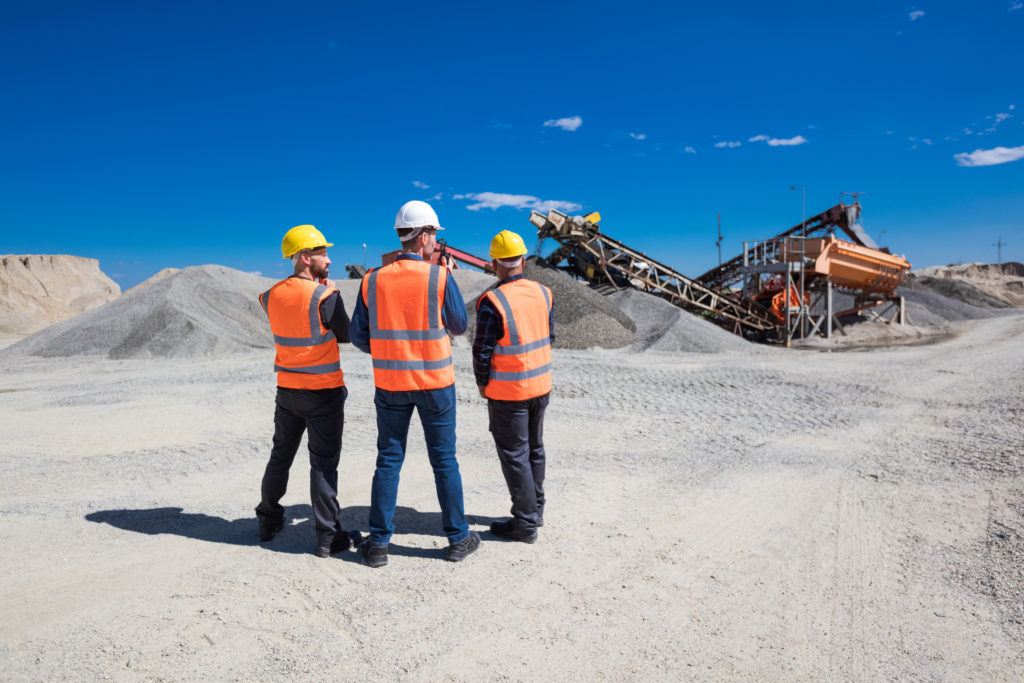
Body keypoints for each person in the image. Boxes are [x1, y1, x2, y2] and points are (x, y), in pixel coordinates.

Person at [349, 200, 480, 567]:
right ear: (423, 237)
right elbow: (458, 326)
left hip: (391, 383)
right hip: (435, 383)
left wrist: (392, 348)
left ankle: (378, 546)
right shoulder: (439, 277)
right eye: (435, 236)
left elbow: (359, 336)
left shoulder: (372, 279)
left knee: (389, 460)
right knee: (444, 461)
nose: (437, 243)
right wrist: (448, 277)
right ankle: (457, 539)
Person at [255, 225, 360, 558]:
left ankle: (268, 521)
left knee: (280, 456)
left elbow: (293, 318)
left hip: (287, 390)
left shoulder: (270, 294)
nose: (329, 260)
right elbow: (347, 335)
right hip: (322, 392)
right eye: (323, 253)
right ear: (305, 257)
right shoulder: (325, 297)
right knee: (323, 465)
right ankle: (328, 538)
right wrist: (328, 295)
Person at [472, 230, 554, 544]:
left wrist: (483, 384)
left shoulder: (492, 301)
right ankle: (536, 510)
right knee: (535, 448)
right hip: (540, 386)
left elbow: (482, 350)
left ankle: (525, 523)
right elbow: (550, 337)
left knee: (515, 455)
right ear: (522, 259)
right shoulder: (544, 293)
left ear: (494, 263)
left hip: (509, 393)